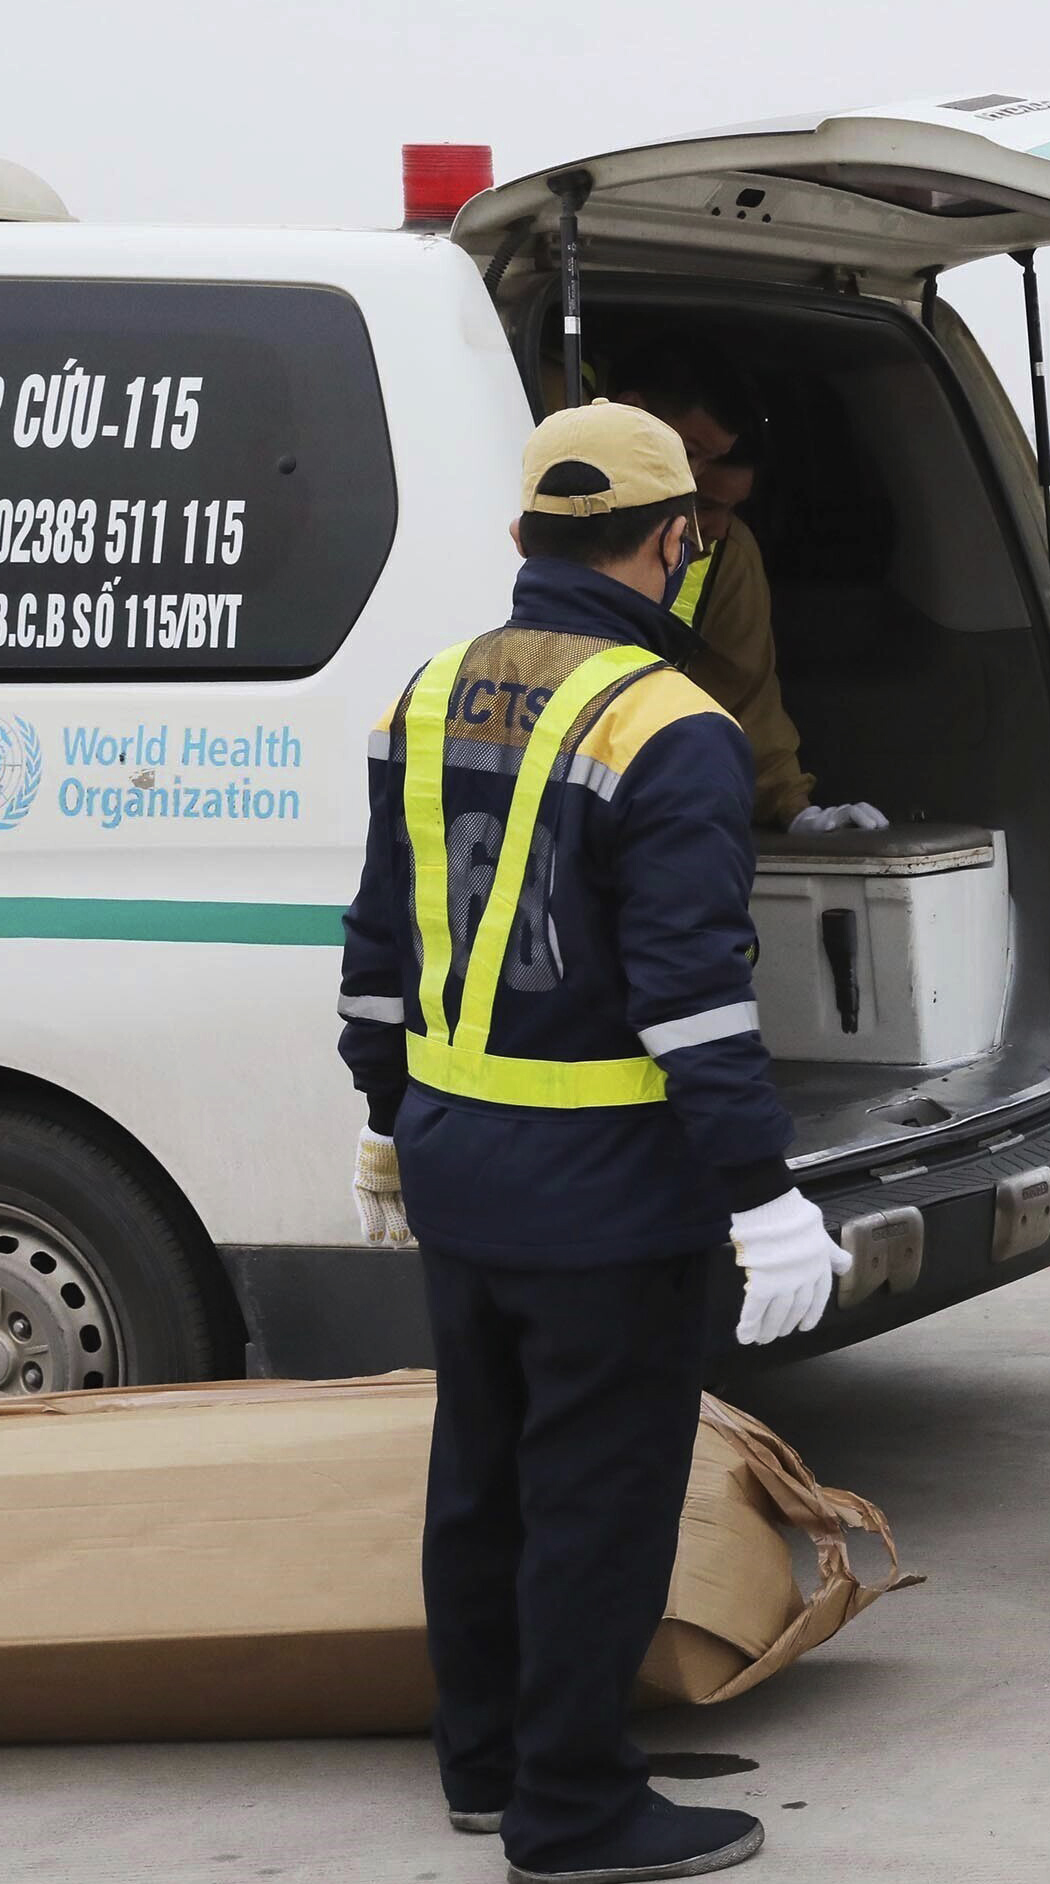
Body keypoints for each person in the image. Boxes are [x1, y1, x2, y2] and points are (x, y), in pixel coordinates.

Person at [338, 401, 846, 1883]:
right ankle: (572, 1807)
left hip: (461, 1171)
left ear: (521, 540)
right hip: (611, 1198)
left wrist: (390, 1118)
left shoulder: (423, 698)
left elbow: (378, 948)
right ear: (680, 542)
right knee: (600, 1502)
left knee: (482, 1478)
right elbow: (693, 996)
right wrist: (762, 1195)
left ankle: (490, 1760)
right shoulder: (670, 730)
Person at [610, 341, 886, 836]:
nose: (714, 529)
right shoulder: (561, 529)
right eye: (706, 502)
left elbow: (748, 694)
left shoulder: (730, 555)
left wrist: (795, 808)